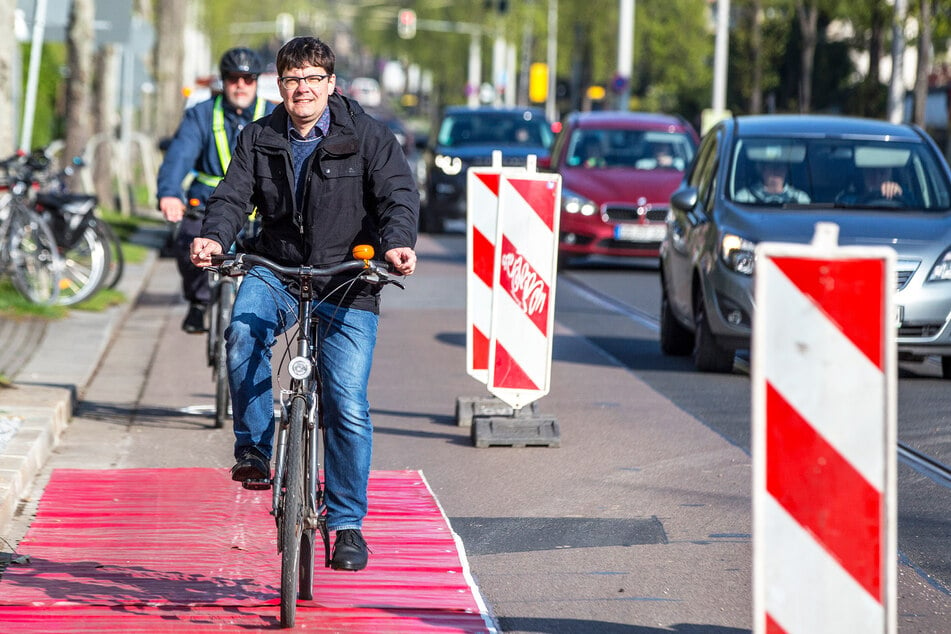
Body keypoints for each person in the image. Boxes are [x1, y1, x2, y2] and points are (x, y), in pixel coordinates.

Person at [189, 36, 418, 572]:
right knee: (242, 330)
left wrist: (398, 243)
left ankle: (346, 525)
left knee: (347, 402)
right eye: (293, 80)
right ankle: (254, 449)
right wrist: (215, 237)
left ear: (331, 85)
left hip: (348, 277)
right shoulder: (259, 136)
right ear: (281, 85)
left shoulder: (369, 137)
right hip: (279, 269)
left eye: (313, 79)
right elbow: (230, 195)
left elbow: (397, 196)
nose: (303, 90)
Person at [157, 47, 276, 333]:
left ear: (257, 81)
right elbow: (179, 155)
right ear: (223, 81)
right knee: (189, 240)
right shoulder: (201, 115)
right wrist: (169, 192)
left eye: (248, 79)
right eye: (233, 79)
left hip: (258, 205)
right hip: (208, 200)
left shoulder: (273, 115)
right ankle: (198, 302)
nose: (240, 85)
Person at [734, 160, 811, 204]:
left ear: (786, 170)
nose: (775, 171)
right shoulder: (744, 198)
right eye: (771, 166)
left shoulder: (800, 199)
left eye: (780, 166)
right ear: (761, 169)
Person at [837, 165, 904, 204]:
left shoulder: (905, 194)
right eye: (872, 170)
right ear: (863, 173)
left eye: (882, 171)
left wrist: (899, 196)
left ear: (891, 174)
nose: (877, 176)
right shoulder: (847, 200)